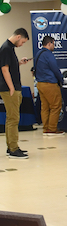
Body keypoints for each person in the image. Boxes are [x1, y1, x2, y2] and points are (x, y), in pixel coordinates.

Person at [0, 28, 30, 159]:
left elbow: (10, 66)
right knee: (13, 118)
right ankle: (13, 149)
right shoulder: (6, 48)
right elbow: (4, 69)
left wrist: (19, 63)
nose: (22, 44)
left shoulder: (9, 48)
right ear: (18, 37)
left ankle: (11, 146)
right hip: (9, 89)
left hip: (12, 87)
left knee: (11, 118)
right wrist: (11, 87)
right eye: (22, 42)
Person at [35, 35, 64, 137]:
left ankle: (46, 128)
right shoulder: (48, 54)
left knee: (45, 107)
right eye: (53, 44)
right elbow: (55, 69)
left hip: (40, 84)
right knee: (56, 106)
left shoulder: (38, 53)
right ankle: (52, 129)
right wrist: (61, 79)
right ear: (49, 43)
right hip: (50, 84)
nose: (54, 46)